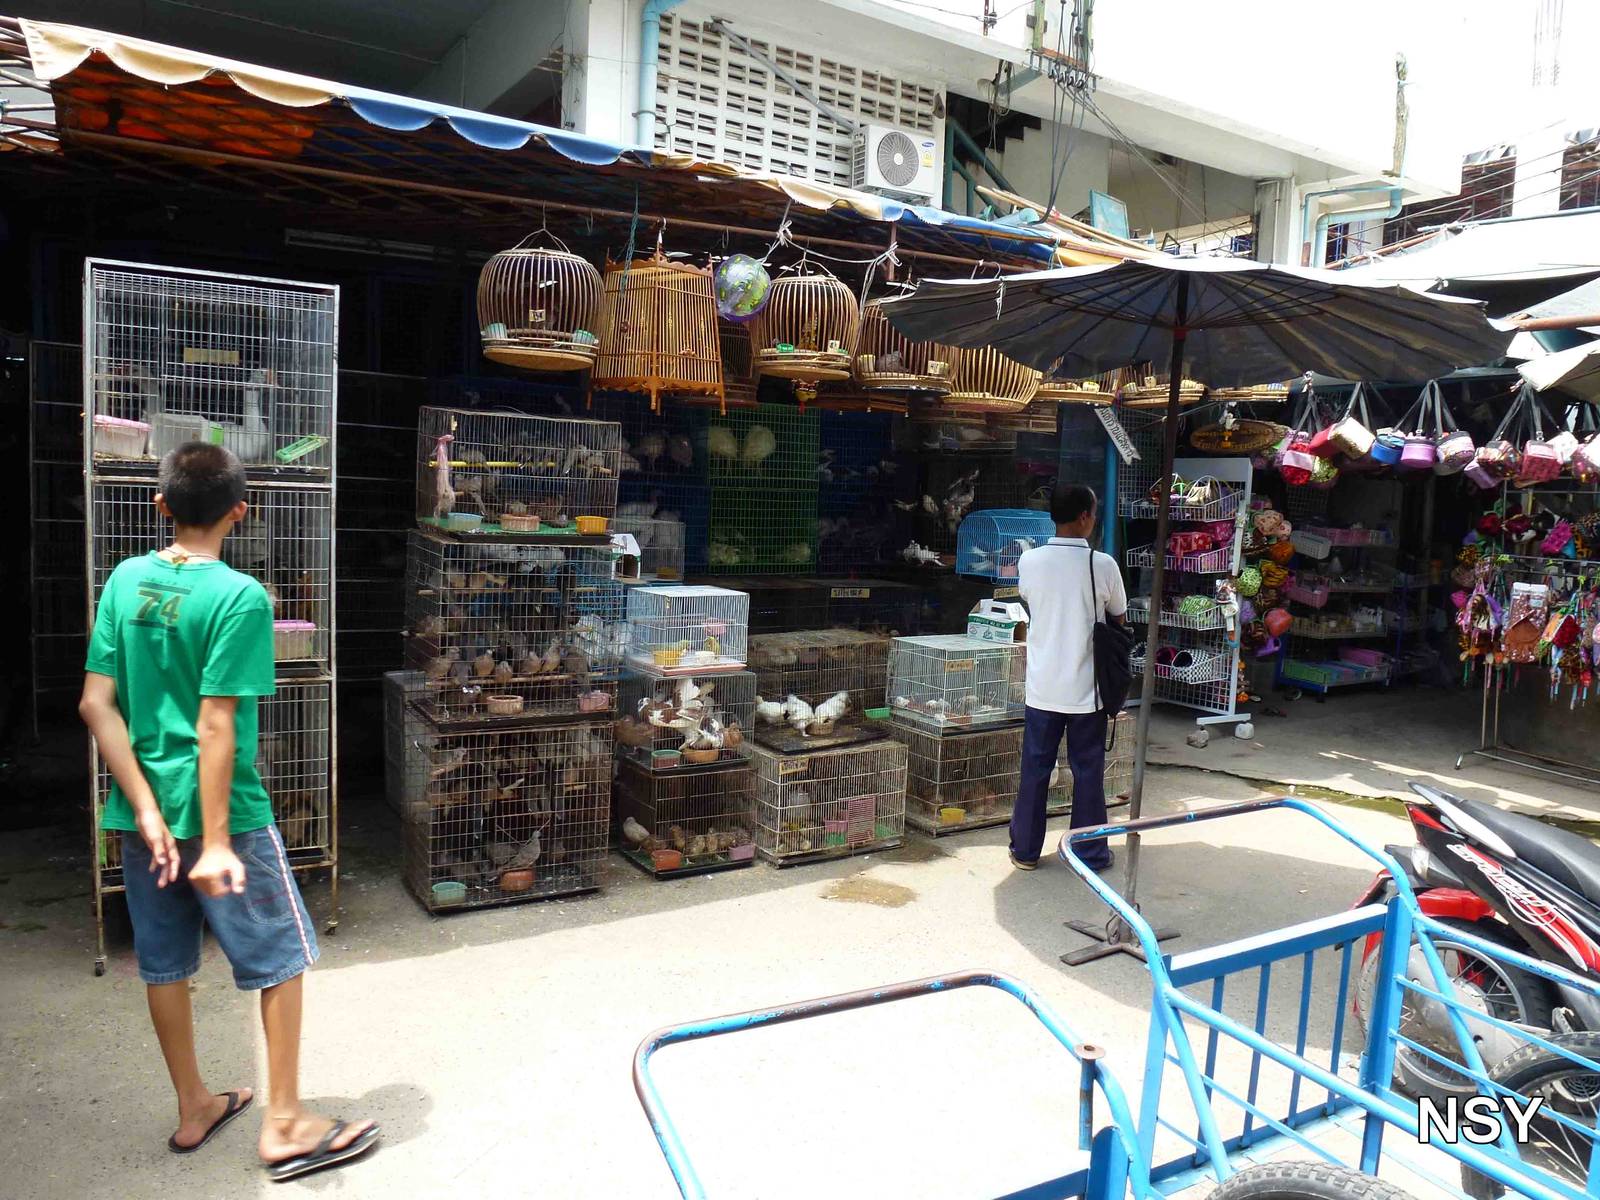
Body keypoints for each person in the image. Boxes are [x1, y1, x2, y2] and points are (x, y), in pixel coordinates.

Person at [78, 443, 378, 1182]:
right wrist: (213, 840)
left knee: (165, 963)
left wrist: (144, 809)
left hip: (138, 819)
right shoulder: (241, 598)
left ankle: (194, 1105)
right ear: (240, 512)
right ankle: (284, 1122)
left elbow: (95, 703)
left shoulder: (124, 579)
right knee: (281, 957)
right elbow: (216, 727)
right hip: (227, 819)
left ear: (161, 506)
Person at [1009, 483, 1127, 872]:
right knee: (1087, 771)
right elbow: (1120, 619)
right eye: (1093, 512)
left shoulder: (1030, 562)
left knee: (1036, 769)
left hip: (1043, 687)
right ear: (1084, 517)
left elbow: (1034, 602)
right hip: (1086, 691)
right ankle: (1090, 852)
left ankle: (1025, 851)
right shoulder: (1103, 564)